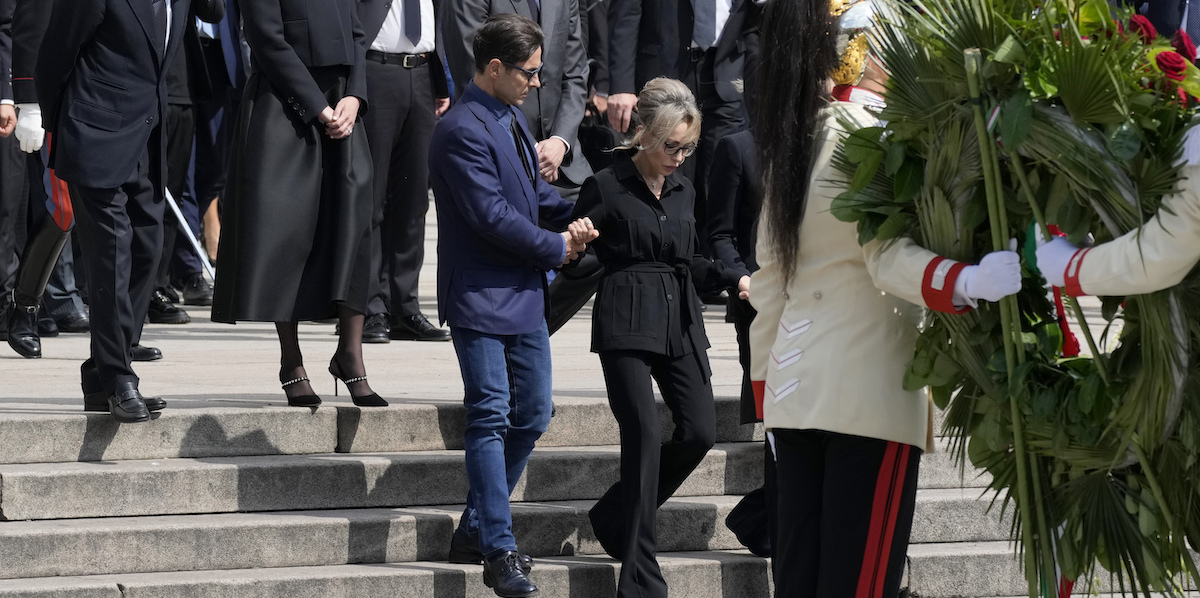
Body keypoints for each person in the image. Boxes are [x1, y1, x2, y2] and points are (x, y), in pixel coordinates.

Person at [746, 0, 1023, 595]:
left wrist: (766, 389)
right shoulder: (879, 135)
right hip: (869, 390)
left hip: (794, 392)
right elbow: (886, 254)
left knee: (801, 578)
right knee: (858, 584)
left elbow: (769, 277)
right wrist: (964, 281)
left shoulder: (801, 133)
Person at [429, 13, 596, 598]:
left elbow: (533, 195)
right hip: (479, 294)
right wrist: (558, 245)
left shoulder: (512, 117)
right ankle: (499, 549)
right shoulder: (462, 130)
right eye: (528, 72)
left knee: (534, 413)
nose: (537, 82)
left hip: (522, 293)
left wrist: (588, 211)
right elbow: (491, 215)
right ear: (493, 68)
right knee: (492, 413)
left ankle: (475, 527)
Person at [575, 77, 746, 598]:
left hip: (680, 317)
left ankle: (614, 514)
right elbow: (580, 257)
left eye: (687, 147)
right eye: (671, 145)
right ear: (643, 133)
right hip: (626, 315)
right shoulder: (605, 185)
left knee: (698, 432)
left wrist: (728, 276)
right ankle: (640, 576)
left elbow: (688, 259)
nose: (678, 156)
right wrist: (571, 246)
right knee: (645, 434)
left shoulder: (685, 188)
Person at [211, 0, 386, 409]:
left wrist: (356, 95)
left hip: (343, 103)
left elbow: (358, 34)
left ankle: (350, 353)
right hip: (284, 106)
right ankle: (291, 360)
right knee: (284, 231)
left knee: (354, 223)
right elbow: (267, 40)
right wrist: (317, 107)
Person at [36, 0, 201, 421]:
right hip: (94, 133)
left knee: (149, 249)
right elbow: (55, 55)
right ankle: (119, 377)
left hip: (148, 138)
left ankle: (100, 373)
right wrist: (59, 127)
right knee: (112, 251)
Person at [356, 0, 452, 344]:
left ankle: (404, 306)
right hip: (375, 69)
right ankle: (368, 307)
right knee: (371, 197)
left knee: (414, 200)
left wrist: (441, 81)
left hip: (423, 73)